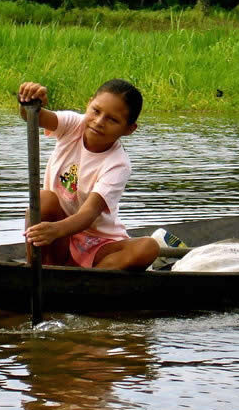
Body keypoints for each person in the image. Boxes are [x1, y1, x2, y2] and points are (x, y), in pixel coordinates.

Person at [17, 79, 160, 271]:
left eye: (112, 120)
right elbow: (33, 116)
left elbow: (89, 213)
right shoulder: (74, 124)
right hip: (59, 237)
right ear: (89, 103)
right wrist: (29, 102)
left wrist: (55, 230)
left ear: (129, 129)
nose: (99, 122)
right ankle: (35, 268)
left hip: (97, 242)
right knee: (44, 199)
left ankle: (86, 279)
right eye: (96, 111)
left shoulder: (118, 164)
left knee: (148, 247)